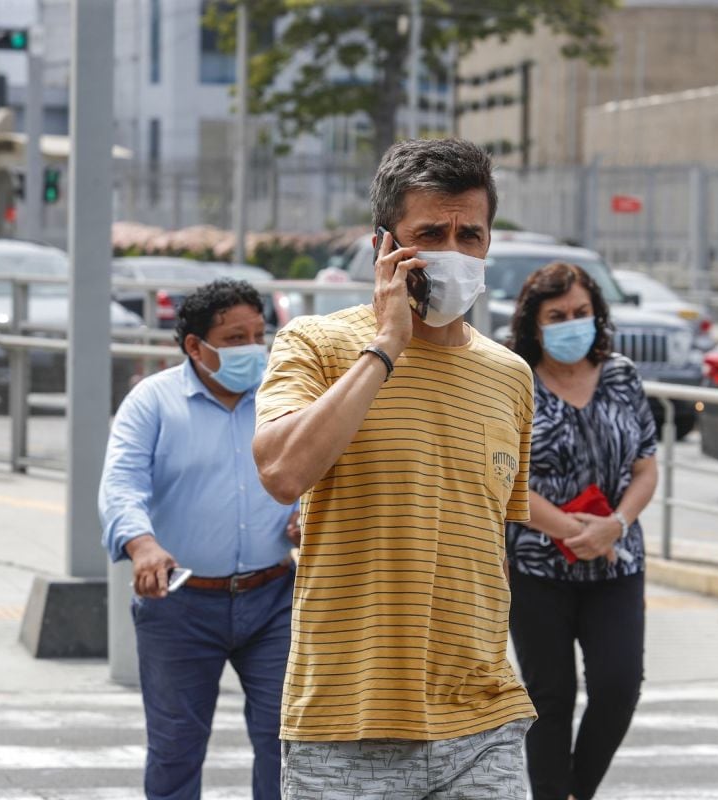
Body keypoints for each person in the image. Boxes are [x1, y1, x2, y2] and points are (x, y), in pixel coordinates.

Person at [252, 138, 537, 799]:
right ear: (385, 244)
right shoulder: (317, 344)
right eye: (431, 234)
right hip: (347, 725)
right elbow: (281, 473)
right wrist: (387, 345)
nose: (454, 252)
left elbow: (492, 542)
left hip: (483, 719)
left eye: (470, 235)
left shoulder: (510, 375)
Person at [98, 279, 299, 800]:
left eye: (258, 335)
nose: (252, 349)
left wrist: (307, 513)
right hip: (181, 605)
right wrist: (142, 545)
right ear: (194, 345)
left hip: (274, 601)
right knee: (176, 749)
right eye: (235, 339)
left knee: (286, 744)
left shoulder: (283, 397)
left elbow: (318, 468)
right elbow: (121, 484)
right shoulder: (152, 402)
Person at [504, 262, 659, 800]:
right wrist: (575, 531)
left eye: (581, 312)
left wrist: (615, 525)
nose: (572, 323)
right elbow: (504, 478)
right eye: (557, 316)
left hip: (617, 562)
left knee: (619, 686)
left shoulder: (621, 375)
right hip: (537, 568)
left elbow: (646, 466)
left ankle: (577, 791)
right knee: (550, 695)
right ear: (534, 322)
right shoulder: (513, 379)